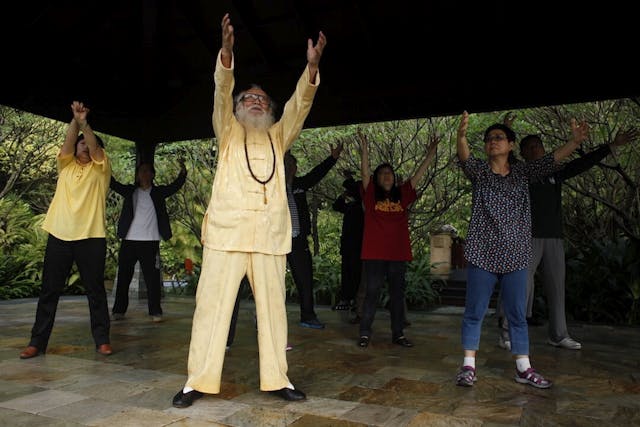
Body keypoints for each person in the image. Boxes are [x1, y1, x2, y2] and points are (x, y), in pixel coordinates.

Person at [172, 13, 326, 408]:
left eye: (262, 99)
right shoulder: (227, 131)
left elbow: (298, 107)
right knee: (212, 309)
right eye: (249, 98)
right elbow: (221, 93)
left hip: (270, 237)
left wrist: (311, 69)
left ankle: (277, 378)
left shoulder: (278, 135)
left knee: (274, 312)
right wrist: (226, 55)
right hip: (226, 234)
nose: (256, 102)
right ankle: (197, 381)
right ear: (239, 107)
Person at [454, 110, 588, 389]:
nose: (493, 141)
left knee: (517, 313)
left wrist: (574, 143)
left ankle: (523, 368)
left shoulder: (523, 172)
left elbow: (552, 160)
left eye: (499, 137)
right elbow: (465, 157)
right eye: (489, 138)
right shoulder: (480, 172)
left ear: (511, 145)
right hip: (483, 253)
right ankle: (468, 367)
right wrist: (461, 136)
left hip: (516, 255)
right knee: (474, 311)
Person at [497, 123, 639, 351]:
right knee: (520, 285)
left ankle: (558, 335)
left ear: (544, 151)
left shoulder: (556, 174)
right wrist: (506, 132)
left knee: (556, 287)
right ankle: (507, 333)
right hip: (526, 237)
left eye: (538, 146)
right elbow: (504, 159)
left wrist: (612, 145)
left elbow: (581, 164)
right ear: (522, 153)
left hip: (554, 238)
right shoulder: (520, 174)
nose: (535, 150)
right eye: (529, 147)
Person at [19, 101, 113, 359]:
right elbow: (68, 143)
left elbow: (93, 146)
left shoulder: (101, 169)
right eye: (80, 142)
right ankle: (36, 342)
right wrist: (75, 120)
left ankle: (102, 340)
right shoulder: (67, 165)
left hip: (91, 237)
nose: (82, 144)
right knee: (49, 290)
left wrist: (86, 125)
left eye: (87, 143)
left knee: (95, 291)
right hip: (59, 235)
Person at [356, 131, 439, 349]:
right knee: (372, 292)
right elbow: (365, 174)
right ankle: (365, 333)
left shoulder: (403, 194)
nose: (387, 176)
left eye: (390, 174)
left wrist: (430, 153)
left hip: (397, 254)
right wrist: (364, 149)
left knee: (396, 295)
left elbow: (419, 174)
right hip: (374, 254)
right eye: (382, 173)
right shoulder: (371, 194)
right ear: (377, 178)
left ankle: (398, 334)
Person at [110, 159, 187, 322]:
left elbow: (175, 186)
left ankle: (155, 311)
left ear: (152, 175)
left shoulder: (158, 192)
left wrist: (183, 171)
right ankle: (118, 311)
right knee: (124, 276)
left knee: (152, 279)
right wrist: (102, 165)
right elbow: (113, 184)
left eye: (147, 171)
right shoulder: (130, 191)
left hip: (150, 241)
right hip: (129, 240)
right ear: (137, 175)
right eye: (141, 171)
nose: (144, 174)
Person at [284, 143, 343, 329]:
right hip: (276, 242)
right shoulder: (271, 188)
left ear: (295, 169)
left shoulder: (300, 184)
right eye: (285, 165)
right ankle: (265, 319)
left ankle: (308, 316)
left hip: (298, 241)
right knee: (270, 282)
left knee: (305, 279)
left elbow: (316, 174)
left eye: (291, 165)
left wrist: (332, 158)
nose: (288, 169)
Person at [331, 171, 364, 314]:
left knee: (357, 275)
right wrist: (343, 196)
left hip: (359, 247)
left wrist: (349, 180)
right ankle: (346, 298)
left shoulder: (363, 208)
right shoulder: (351, 207)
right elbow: (336, 206)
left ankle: (354, 300)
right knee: (347, 274)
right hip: (348, 247)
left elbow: (357, 190)